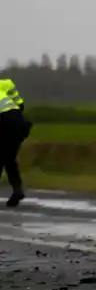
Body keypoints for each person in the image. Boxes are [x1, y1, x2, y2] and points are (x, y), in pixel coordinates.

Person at [0, 77, 29, 207]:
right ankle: (17, 189)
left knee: (2, 157)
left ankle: (17, 190)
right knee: (9, 158)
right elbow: (20, 105)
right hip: (18, 121)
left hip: (3, 120)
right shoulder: (5, 84)